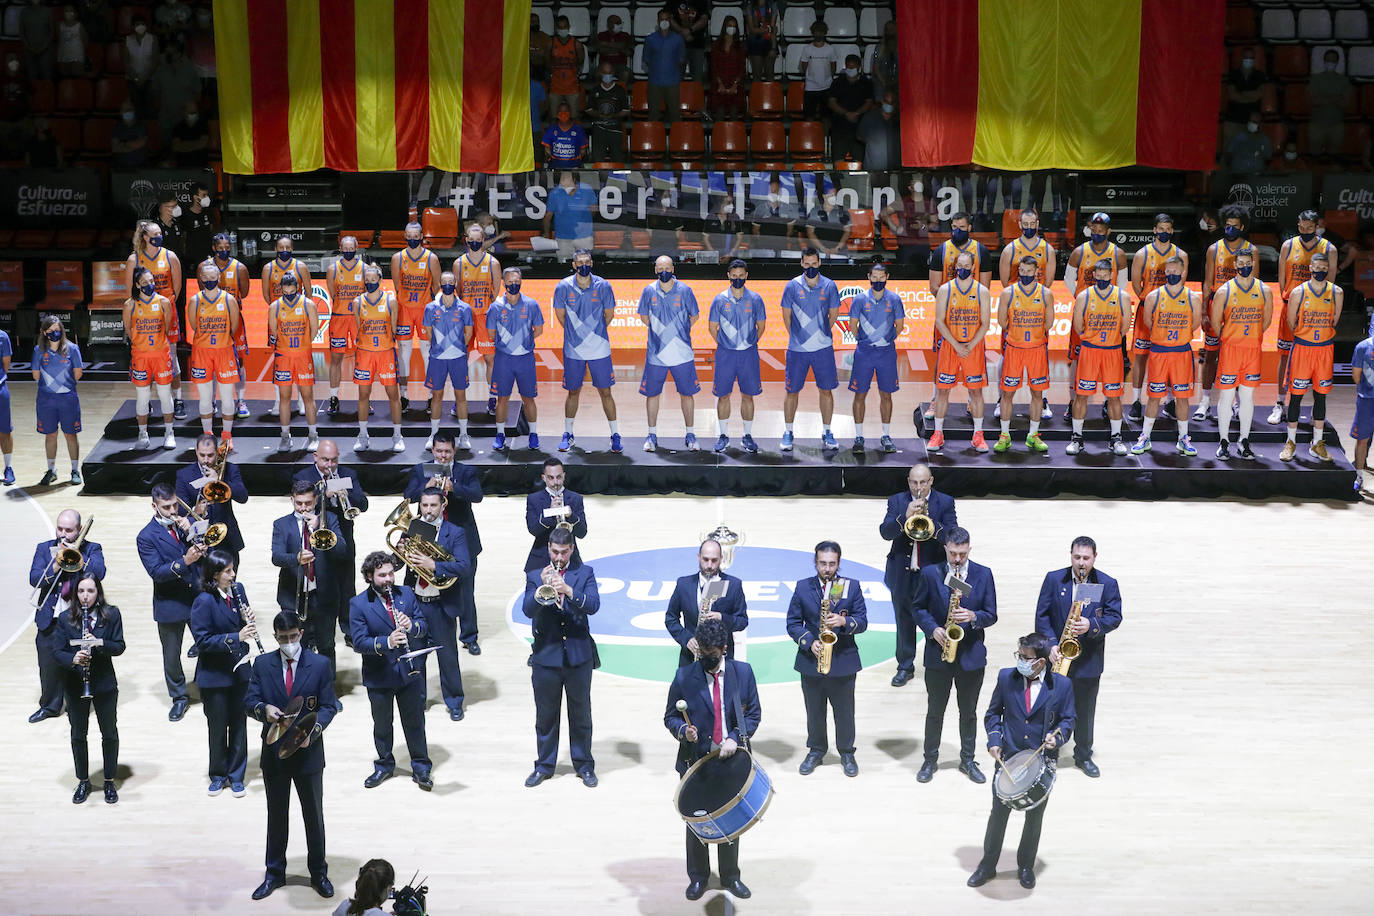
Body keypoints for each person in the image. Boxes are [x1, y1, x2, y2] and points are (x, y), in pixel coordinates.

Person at [965, 633, 1076, 891]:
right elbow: (993, 714)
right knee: (998, 815)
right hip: (1008, 758)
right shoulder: (1006, 677)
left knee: (1034, 818)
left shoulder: (1062, 685)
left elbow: (1067, 720)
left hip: (1041, 763)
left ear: (1041, 661)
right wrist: (994, 740)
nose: (1021, 662)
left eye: (1026, 658)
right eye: (1019, 656)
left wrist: (1056, 739)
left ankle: (1025, 866)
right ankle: (987, 864)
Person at [664, 617, 760, 901]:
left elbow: (753, 713)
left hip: (731, 759)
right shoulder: (684, 676)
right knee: (696, 821)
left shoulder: (743, 673)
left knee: (731, 820)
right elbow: (670, 715)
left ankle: (730, 876)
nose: (706, 658)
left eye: (712, 653)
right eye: (702, 652)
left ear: (724, 648)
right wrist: (683, 731)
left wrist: (733, 737)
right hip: (695, 760)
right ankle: (698, 877)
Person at [245, 611, 338, 901]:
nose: (289, 642)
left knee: (314, 815)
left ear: (301, 633)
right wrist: (264, 710)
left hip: (308, 753)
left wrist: (316, 729)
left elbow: (329, 706)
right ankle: (274, 874)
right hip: (275, 754)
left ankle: (319, 873)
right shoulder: (261, 664)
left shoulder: (320, 664)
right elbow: (249, 701)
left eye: (293, 636)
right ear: (275, 637)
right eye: (283, 638)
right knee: (277, 816)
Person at [914, 526, 997, 784]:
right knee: (935, 711)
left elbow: (991, 613)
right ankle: (930, 760)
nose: (958, 559)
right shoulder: (930, 573)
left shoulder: (983, 574)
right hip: (939, 654)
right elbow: (917, 608)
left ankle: (968, 760)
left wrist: (973, 617)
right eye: (953, 554)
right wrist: (933, 628)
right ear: (946, 549)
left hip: (970, 655)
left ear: (969, 549)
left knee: (968, 712)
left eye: (962, 554)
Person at [1034, 536, 1122, 777]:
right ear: (1070, 555)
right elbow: (1042, 616)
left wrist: (1092, 624)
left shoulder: (1108, 583)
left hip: (1088, 662)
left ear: (1095, 557)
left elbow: (1115, 617)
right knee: (1051, 710)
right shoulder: (1054, 579)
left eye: (1086, 558)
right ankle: (1048, 755)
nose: (1081, 563)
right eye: (1077, 557)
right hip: (1057, 658)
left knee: (1085, 712)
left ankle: (1083, 755)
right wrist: (1051, 644)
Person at [522, 528, 601, 788]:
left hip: (578, 657)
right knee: (545, 716)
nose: (558, 557)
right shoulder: (535, 575)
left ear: (572, 550)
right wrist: (541, 589)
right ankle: (544, 765)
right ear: (548, 549)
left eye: (563, 552)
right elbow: (527, 610)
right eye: (554, 552)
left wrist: (567, 590)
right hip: (546, 657)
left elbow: (593, 605)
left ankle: (584, 765)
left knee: (581, 715)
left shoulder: (584, 573)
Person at [350, 550, 432, 791]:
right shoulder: (358, 604)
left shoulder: (406, 594)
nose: (388, 579)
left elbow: (423, 626)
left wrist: (412, 625)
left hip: (409, 672)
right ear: (369, 576)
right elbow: (359, 642)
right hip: (380, 675)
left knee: (415, 722)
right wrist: (387, 642)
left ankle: (421, 765)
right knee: (383, 725)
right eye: (382, 575)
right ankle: (384, 765)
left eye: (390, 574)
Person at [787, 540, 867, 777]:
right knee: (814, 710)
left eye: (832, 564)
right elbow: (792, 623)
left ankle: (846, 752)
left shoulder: (851, 587)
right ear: (815, 562)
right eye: (822, 563)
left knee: (845, 711)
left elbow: (862, 621)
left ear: (839, 563)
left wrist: (844, 622)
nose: (827, 569)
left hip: (843, 660)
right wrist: (809, 642)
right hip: (812, 661)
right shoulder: (803, 587)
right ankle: (816, 750)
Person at [293, 440, 369, 669]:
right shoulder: (303, 475)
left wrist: (347, 495)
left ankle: (348, 630)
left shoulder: (348, 474)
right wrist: (324, 493)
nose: (330, 465)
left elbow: (362, 504)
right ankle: (316, 632)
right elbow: (302, 505)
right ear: (316, 457)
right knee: (320, 587)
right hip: (315, 542)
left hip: (343, 540)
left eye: (334, 460)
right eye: (325, 460)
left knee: (347, 587)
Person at [406, 432, 484, 654]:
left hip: (461, 537)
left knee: (466, 591)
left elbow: (477, 495)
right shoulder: (421, 470)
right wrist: (425, 487)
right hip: (427, 535)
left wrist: (453, 488)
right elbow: (408, 495)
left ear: (454, 451)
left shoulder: (466, 471)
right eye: (439, 451)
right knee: (428, 586)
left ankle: (469, 636)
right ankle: (431, 634)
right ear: (432, 450)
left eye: (447, 451)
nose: (442, 456)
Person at [29, 508, 107, 723]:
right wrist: (56, 563)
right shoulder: (45, 549)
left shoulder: (92, 549)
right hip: (50, 619)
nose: (63, 534)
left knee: (78, 665)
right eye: (60, 528)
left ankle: (77, 706)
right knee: (48, 666)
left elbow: (99, 573)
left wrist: (78, 556)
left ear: (79, 530)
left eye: (69, 530)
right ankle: (50, 706)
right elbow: (35, 578)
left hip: (76, 619)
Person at [882, 464, 956, 687]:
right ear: (908, 481)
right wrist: (903, 517)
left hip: (931, 576)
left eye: (923, 482)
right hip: (902, 575)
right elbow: (885, 532)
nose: (919, 487)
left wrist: (931, 523)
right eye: (914, 482)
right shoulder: (897, 501)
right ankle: (905, 666)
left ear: (931, 481)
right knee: (904, 622)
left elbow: (953, 537)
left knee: (934, 621)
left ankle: (936, 665)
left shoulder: (945, 502)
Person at [53, 575, 124, 805]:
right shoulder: (65, 619)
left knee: (109, 734)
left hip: (104, 684)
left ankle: (109, 780)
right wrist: (74, 657)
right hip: (75, 685)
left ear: (98, 592)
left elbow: (119, 646)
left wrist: (99, 643)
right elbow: (57, 651)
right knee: (78, 735)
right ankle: (83, 780)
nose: (85, 596)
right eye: (81, 591)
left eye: (90, 591)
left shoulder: (112, 614)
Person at [401, 489, 471, 721]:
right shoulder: (412, 528)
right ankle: (418, 700)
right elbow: (399, 565)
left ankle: (454, 702)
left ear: (443, 505)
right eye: (424, 506)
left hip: (442, 605)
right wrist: (398, 555)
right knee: (416, 655)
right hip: (416, 604)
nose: (428, 511)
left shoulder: (456, 532)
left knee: (447, 657)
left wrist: (434, 565)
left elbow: (464, 566)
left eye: (433, 505)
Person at [190, 549, 253, 798]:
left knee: (239, 724)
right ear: (215, 575)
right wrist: (235, 637)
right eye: (227, 571)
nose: (233, 575)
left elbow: (241, 625)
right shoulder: (204, 601)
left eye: (233, 569)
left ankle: (237, 776)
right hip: (215, 675)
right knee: (217, 727)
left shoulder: (239, 591)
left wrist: (247, 624)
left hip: (239, 670)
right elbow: (202, 641)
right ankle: (218, 774)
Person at [135, 484, 197, 720]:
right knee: (172, 655)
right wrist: (185, 561)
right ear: (154, 506)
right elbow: (157, 572)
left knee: (208, 643)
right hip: (170, 601)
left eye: (174, 505)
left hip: (197, 596)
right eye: (166, 507)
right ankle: (179, 696)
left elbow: (206, 550)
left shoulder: (184, 524)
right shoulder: (146, 536)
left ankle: (205, 683)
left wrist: (194, 532)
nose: (172, 510)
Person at [1272, 210, 1337, 426]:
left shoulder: (1329, 249)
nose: (1305, 231)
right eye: (1301, 227)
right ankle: (1280, 404)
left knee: (1315, 361)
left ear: (1317, 226)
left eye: (1310, 228)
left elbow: (1332, 285)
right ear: (1297, 224)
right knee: (1284, 356)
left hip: (1317, 313)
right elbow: (1282, 278)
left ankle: (1314, 410)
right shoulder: (1288, 245)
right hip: (1291, 306)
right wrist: (1290, 302)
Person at [1132, 259, 1203, 457]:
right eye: (1168, 270)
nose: (1171, 273)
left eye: (1175, 270)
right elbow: (1148, 322)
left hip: (1181, 352)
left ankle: (1183, 438)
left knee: (1182, 397)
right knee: (1154, 396)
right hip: (1159, 352)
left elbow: (1195, 324)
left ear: (1183, 272)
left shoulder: (1193, 298)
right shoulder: (1154, 297)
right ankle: (1145, 437)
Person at [554, 248, 621, 452]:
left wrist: (593, 334)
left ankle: (615, 434)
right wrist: (577, 336)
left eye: (587, 261)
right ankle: (568, 433)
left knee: (606, 392)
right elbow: (560, 316)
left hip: (599, 347)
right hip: (574, 349)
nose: (584, 265)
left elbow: (608, 315)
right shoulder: (563, 287)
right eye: (580, 262)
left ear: (591, 264)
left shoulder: (603, 286)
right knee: (573, 391)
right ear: (574, 265)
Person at [1280, 253, 1344, 464]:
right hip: (1303, 349)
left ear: (1328, 269)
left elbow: (1334, 321)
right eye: (1316, 267)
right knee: (1296, 396)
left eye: (1324, 267)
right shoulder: (1299, 292)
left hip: (1324, 350)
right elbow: (1291, 322)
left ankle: (1317, 443)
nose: (1320, 270)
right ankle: (1290, 442)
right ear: (1310, 268)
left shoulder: (1337, 292)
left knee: (1321, 396)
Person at [1212, 249, 1273, 461]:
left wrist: (1251, 337)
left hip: (1252, 350)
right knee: (1227, 397)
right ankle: (1224, 441)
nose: (1244, 266)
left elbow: (1266, 321)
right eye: (1241, 263)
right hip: (1231, 350)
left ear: (1253, 263)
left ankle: (1244, 440)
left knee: (1247, 397)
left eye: (1248, 262)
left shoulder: (1264, 290)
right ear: (1235, 265)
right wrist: (1231, 337)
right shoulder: (1224, 291)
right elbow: (1215, 321)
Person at [928, 251, 992, 454]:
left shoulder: (982, 291)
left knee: (976, 392)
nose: (962, 269)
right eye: (959, 265)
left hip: (973, 347)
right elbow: (939, 321)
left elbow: (985, 323)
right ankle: (937, 433)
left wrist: (970, 346)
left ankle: (978, 434)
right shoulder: (945, 290)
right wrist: (956, 346)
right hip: (950, 346)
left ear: (973, 268)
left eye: (966, 266)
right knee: (942, 391)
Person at [1066, 259, 1132, 457]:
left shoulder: (1122, 296)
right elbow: (1078, 327)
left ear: (1112, 275)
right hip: (1089, 350)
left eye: (1106, 275)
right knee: (1082, 395)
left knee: (1114, 396)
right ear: (1093, 275)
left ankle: (1116, 438)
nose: (1102, 278)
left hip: (1112, 351)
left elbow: (1124, 327)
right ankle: (1077, 438)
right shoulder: (1084, 296)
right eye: (1099, 275)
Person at [1125, 214, 1187, 422]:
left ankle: (1169, 401)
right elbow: (1135, 283)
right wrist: (1146, 299)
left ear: (1171, 231)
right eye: (1160, 228)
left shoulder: (1181, 255)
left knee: (1170, 357)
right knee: (1141, 357)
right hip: (1147, 310)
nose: (1164, 231)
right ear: (1154, 230)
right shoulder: (1143, 254)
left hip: (1171, 314)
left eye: (1167, 228)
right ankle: (1135, 401)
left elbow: (1181, 285)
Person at [780, 247, 841, 451]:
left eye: (814, 264)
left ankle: (827, 431)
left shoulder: (830, 286)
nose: (810, 268)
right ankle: (788, 431)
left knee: (826, 391)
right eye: (807, 264)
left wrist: (820, 334)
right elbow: (786, 316)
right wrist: (798, 337)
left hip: (823, 348)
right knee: (792, 391)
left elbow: (833, 314)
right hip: (797, 350)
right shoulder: (792, 286)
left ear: (819, 263)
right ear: (801, 264)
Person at [638, 255, 701, 452]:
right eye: (660, 267)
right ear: (655, 270)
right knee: (652, 395)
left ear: (673, 268)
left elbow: (695, 316)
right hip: (656, 354)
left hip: (682, 354)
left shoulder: (685, 290)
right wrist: (661, 335)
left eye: (667, 267)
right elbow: (643, 316)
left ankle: (690, 434)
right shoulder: (648, 291)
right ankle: (651, 434)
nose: (663, 270)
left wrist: (678, 333)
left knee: (687, 395)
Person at [1198, 206, 1254, 423]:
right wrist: (1204, 310)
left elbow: (1255, 286)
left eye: (1234, 226)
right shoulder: (1214, 249)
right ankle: (1204, 402)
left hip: (1240, 310)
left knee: (1238, 359)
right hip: (1217, 305)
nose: (1230, 229)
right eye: (1227, 225)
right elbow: (1207, 282)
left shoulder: (1252, 250)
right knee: (1210, 355)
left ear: (1242, 227)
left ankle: (1237, 403)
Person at [994, 257, 1054, 454]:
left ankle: (1033, 435)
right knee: (1007, 394)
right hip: (1014, 349)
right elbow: (1002, 321)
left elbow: (1049, 323)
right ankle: (1004, 435)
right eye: (1022, 270)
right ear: (1018, 270)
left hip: (1037, 349)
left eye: (1029, 271)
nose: (1025, 274)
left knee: (1037, 394)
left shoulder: (1046, 293)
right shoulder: (1008, 293)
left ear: (1037, 272)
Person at [125, 219, 185, 418]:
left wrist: (164, 304)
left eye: (161, 233)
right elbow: (129, 293)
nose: (159, 237)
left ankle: (178, 399)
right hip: (144, 315)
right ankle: (147, 402)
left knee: (172, 357)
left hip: (166, 311)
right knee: (146, 358)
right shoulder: (135, 259)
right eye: (155, 234)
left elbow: (177, 288)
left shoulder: (170, 256)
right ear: (144, 237)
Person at [709, 258, 766, 453]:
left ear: (746, 276)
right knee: (723, 396)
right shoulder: (719, 300)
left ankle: (747, 436)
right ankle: (723, 435)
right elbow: (712, 327)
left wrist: (747, 343)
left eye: (741, 276)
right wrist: (727, 344)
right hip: (725, 354)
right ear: (728, 276)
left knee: (748, 395)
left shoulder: (756, 299)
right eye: (734, 276)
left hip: (748, 354)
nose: (738, 279)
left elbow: (761, 327)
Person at [271, 481, 343, 634]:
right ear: (292, 500)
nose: (303, 508)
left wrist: (320, 528)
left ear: (316, 500)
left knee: (326, 646)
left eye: (308, 503)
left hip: (324, 596)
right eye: (298, 503)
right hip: (292, 597)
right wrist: (296, 558)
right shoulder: (281, 524)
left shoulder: (329, 519)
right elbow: (276, 557)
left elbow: (342, 551)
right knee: (297, 647)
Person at [664, 538, 749, 667]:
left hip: (722, 659)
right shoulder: (684, 585)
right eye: (705, 559)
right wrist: (686, 639)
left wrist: (723, 618)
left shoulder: (734, 585)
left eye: (714, 560)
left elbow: (742, 621)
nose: (709, 565)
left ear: (721, 558)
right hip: (691, 658)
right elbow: (671, 618)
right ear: (699, 557)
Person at [848, 261, 903, 453]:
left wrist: (885, 341)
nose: (878, 280)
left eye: (881, 277)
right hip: (864, 352)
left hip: (886, 353)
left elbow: (900, 326)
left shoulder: (894, 299)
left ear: (887, 277)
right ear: (869, 277)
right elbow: (852, 325)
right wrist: (864, 341)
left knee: (886, 394)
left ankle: (886, 436)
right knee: (859, 393)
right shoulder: (860, 299)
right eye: (874, 277)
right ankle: (858, 436)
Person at [488, 266, 544, 451]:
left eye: (516, 281)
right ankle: (500, 434)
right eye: (510, 281)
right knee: (502, 399)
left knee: (529, 398)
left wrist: (523, 342)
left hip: (525, 359)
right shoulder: (495, 307)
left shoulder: (531, 304)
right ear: (504, 283)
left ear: (521, 282)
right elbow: (490, 333)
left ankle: (534, 434)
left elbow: (539, 330)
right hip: (504, 360)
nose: (513, 284)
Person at [352, 263, 407, 453]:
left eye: (373, 280)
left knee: (393, 395)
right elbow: (359, 327)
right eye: (367, 281)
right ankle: (362, 435)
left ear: (381, 281)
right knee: (363, 395)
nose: (370, 283)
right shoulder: (358, 302)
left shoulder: (390, 300)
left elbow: (393, 328)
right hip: (365, 353)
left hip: (385, 353)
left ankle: (398, 435)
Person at [122, 266, 177, 450]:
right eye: (145, 283)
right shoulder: (130, 305)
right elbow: (129, 331)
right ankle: (143, 433)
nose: (149, 285)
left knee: (164, 394)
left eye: (152, 281)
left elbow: (167, 327)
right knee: (143, 396)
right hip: (141, 356)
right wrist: (142, 342)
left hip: (161, 354)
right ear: (137, 285)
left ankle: (169, 433)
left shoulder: (163, 302)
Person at [187, 262, 241, 443]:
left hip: (224, 351)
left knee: (227, 395)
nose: (209, 281)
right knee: (205, 396)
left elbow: (234, 326)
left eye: (213, 278)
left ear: (219, 278)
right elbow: (195, 326)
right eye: (206, 278)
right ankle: (207, 435)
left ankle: (227, 436)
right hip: (202, 352)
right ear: (201, 279)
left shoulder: (229, 299)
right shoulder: (195, 300)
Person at [266, 272, 320, 452]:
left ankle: (313, 435)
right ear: (281, 288)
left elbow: (314, 329)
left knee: (308, 397)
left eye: (292, 287)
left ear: (298, 287)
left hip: (303, 356)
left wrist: (303, 344)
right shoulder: (275, 306)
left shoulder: (308, 304)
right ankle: (285, 436)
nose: (288, 290)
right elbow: (274, 331)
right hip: (283, 356)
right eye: (285, 287)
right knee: (284, 398)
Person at [453, 224, 501, 421]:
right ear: (466, 239)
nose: (474, 243)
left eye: (478, 239)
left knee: (490, 359)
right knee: (461, 359)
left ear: (483, 240)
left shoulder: (493, 263)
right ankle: (459, 399)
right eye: (471, 239)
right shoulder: (458, 263)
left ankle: (493, 397)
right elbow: (457, 291)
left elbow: (496, 291)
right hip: (464, 318)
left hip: (485, 317)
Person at [391, 221, 442, 409]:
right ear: (405, 236)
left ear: (422, 236)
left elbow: (437, 287)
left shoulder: (431, 258)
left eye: (416, 236)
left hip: (425, 310)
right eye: (409, 236)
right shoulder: (397, 258)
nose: (412, 239)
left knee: (428, 353)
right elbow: (397, 286)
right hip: (404, 309)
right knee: (403, 353)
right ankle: (403, 395)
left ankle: (430, 395)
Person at [422, 270, 474, 451]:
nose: (447, 286)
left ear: (456, 283)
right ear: (439, 284)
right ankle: (433, 434)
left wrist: (457, 348)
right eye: (444, 283)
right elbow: (428, 333)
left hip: (458, 358)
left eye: (450, 283)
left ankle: (464, 434)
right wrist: (441, 348)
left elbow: (468, 333)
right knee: (436, 396)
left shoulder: (465, 308)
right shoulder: (430, 308)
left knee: (461, 396)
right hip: (437, 359)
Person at [261, 236, 311, 419]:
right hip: (278, 319)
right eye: (281, 247)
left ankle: (301, 401)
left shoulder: (301, 267)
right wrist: (280, 311)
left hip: (298, 321)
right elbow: (267, 296)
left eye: (287, 247)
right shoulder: (268, 268)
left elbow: (309, 293)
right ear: (276, 248)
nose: (284, 250)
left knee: (300, 360)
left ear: (292, 248)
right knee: (279, 361)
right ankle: (278, 401)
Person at [32, 314, 85, 486]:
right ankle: (51, 470)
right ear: (44, 332)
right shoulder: (38, 351)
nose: (54, 332)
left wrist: (63, 386)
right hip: (46, 400)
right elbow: (35, 375)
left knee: (70, 434)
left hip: (68, 399)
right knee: (50, 435)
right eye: (50, 330)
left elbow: (78, 373)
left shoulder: (72, 349)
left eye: (57, 329)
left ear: (62, 330)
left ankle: (75, 470)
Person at [175, 433, 248, 555]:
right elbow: (180, 509)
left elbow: (243, 497)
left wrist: (220, 482)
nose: (206, 460)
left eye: (210, 455)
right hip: (198, 539)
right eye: (202, 455)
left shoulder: (230, 469)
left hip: (226, 536)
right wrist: (195, 510)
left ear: (217, 452)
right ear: (196, 451)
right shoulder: (184, 475)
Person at [208, 233, 252, 417]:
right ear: (214, 248)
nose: (224, 251)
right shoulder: (206, 267)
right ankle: (211, 402)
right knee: (212, 363)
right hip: (213, 322)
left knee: (239, 362)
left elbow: (245, 292)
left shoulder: (239, 268)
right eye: (221, 248)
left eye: (227, 248)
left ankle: (240, 401)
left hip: (234, 320)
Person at [325, 238, 367, 417]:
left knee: (363, 359)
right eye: (345, 248)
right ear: (340, 248)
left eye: (352, 248)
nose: (348, 250)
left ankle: (365, 400)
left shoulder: (365, 268)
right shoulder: (333, 269)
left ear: (356, 248)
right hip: (339, 318)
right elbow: (333, 294)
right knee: (336, 359)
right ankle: (333, 398)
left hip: (358, 318)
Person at [525, 458, 587, 572]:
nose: (556, 482)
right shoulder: (534, 499)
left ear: (564, 475)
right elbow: (533, 530)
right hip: (541, 558)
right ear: (544, 478)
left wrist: (571, 516)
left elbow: (582, 533)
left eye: (559, 477)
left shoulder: (575, 498)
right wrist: (550, 513)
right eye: (551, 478)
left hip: (570, 559)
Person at [827, 54, 875, 161]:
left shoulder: (866, 83)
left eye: (853, 67)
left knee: (859, 162)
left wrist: (857, 113)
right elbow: (831, 102)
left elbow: (869, 102)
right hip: (840, 128)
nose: (851, 69)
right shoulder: (837, 82)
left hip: (859, 129)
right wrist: (846, 113)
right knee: (838, 162)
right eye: (849, 67)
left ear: (859, 67)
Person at [1308, 49, 1351, 162]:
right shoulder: (1315, 79)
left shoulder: (1344, 80)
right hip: (1317, 124)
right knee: (1315, 158)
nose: (1330, 62)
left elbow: (1345, 103)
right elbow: (1313, 100)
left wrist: (1323, 98)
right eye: (1328, 59)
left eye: (1333, 60)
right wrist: (1336, 98)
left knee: (1334, 158)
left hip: (1337, 125)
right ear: (1324, 61)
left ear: (1337, 62)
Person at [644, 10, 686, 124]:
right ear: (658, 21)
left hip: (673, 83)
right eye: (662, 19)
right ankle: (652, 141)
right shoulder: (650, 39)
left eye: (667, 19)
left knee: (675, 115)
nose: (664, 21)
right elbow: (646, 60)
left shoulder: (678, 39)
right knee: (653, 115)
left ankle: (677, 141)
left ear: (670, 21)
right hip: (654, 83)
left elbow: (681, 60)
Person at [544, 170, 597, 261]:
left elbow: (594, 209)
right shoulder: (555, 193)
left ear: (574, 179)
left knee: (585, 267)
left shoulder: (586, 189)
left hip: (584, 237)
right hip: (563, 239)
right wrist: (546, 233)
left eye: (567, 178)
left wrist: (584, 223)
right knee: (564, 267)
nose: (563, 181)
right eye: (562, 178)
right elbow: (548, 216)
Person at [587, 62, 629, 163]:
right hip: (599, 130)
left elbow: (626, 111)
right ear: (600, 73)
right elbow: (588, 110)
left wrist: (613, 115)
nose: (607, 75)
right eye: (605, 72)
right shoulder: (595, 90)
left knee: (617, 159)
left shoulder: (620, 90)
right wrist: (599, 114)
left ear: (613, 73)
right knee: (598, 159)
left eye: (609, 72)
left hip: (616, 130)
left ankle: (619, 179)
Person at [708, 17, 747, 120]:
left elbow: (742, 68)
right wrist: (720, 84)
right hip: (719, 86)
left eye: (734, 26)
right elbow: (713, 67)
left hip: (735, 87)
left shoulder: (740, 46)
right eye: (730, 26)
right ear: (725, 27)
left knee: (734, 113)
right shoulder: (716, 45)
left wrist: (735, 85)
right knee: (719, 113)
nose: (732, 28)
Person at [1352, 315, 1374, 491]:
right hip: (1367, 401)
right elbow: (1356, 376)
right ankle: (1359, 475)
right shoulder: (1363, 347)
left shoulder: (1363, 346)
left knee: (1363, 440)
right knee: (1362, 440)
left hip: (1366, 398)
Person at [547, 15, 585, 119]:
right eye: (560, 27)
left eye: (564, 26)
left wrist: (577, 70)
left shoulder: (576, 44)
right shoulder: (551, 43)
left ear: (569, 27)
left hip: (571, 87)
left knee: (574, 117)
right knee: (554, 118)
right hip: (555, 86)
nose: (562, 29)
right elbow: (547, 61)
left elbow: (581, 61)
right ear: (556, 28)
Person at [798, 21, 837, 120]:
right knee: (809, 116)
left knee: (826, 116)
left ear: (825, 33)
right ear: (812, 33)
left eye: (821, 32)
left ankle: (825, 135)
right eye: (816, 32)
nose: (818, 34)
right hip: (811, 87)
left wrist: (828, 79)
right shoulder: (807, 49)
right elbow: (804, 66)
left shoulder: (830, 49)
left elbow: (833, 65)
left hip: (827, 86)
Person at [750, 175, 799, 250]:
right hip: (763, 247)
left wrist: (781, 242)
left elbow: (790, 232)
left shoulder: (788, 209)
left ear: (779, 192)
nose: (773, 192)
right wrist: (762, 244)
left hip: (781, 246)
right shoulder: (760, 208)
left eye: (776, 190)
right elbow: (756, 231)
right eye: (771, 190)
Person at [857, 90, 900, 171]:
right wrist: (875, 143)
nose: (889, 104)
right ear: (882, 101)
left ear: (896, 104)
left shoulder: (899, 120)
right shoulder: (870, 117)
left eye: (892, 102)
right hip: (873, 168)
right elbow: (860, 136)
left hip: (895, 170)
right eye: (886, 101)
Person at [805, 187, 852, 257]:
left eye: (835, 195)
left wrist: (837, 248)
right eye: (831, 195)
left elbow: (847, 232)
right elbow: (810, 232)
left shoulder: (843, 212)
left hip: (839, 252)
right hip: (818, 252)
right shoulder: (814, 211)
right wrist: (822, 248)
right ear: (824, 196)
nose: (834, 197)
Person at [541, 102, 589, 168]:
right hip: (555, 167)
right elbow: (547, 149)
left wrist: (576, 161)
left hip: (575, 166)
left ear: (570, 113)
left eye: (566, 111)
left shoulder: (578, 130)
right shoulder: (551, 129)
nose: (563, 114)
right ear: (557, 114)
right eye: (560, 112)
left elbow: (583, 150)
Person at [674, 2, 709, 82]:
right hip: (678, 46)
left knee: (697, 80)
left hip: (697, 45)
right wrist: (682, 31)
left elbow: (704, 19)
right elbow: (669, 18)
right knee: (676, 80)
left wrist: (689, 30)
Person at [744, 0, 779, 80]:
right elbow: (752, 29)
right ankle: (757, 92)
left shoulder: (772, 5)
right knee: (757, 74)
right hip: (755, 42)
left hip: (769, 41)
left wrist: (773, 47)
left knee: (769, 73)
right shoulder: (750, 7)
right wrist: (768, 29)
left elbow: (773, 29)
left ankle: (770, 92)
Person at [593, 13, 631, 84]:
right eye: (617, 23)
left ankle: (621, 93)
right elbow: (601, 50)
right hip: (604, 64)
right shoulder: (601, 35)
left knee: (626, 73)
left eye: (620, 22)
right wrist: (619, 49)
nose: (620, 25)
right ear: (609, 24)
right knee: (597, 74)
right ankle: (600, 93)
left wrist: (605, 44)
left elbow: (623, 46)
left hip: (620, 66)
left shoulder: (625, 35)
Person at [169, 100, 209, 167]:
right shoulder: (178, 127)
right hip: (183, 164)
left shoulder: (203, 125)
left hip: (200, 164)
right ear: (184, 112)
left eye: (194, 112)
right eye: (190, 112)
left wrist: (184, 145)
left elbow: (203, 143)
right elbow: (176, 146)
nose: (193, 114)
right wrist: (196, 144)